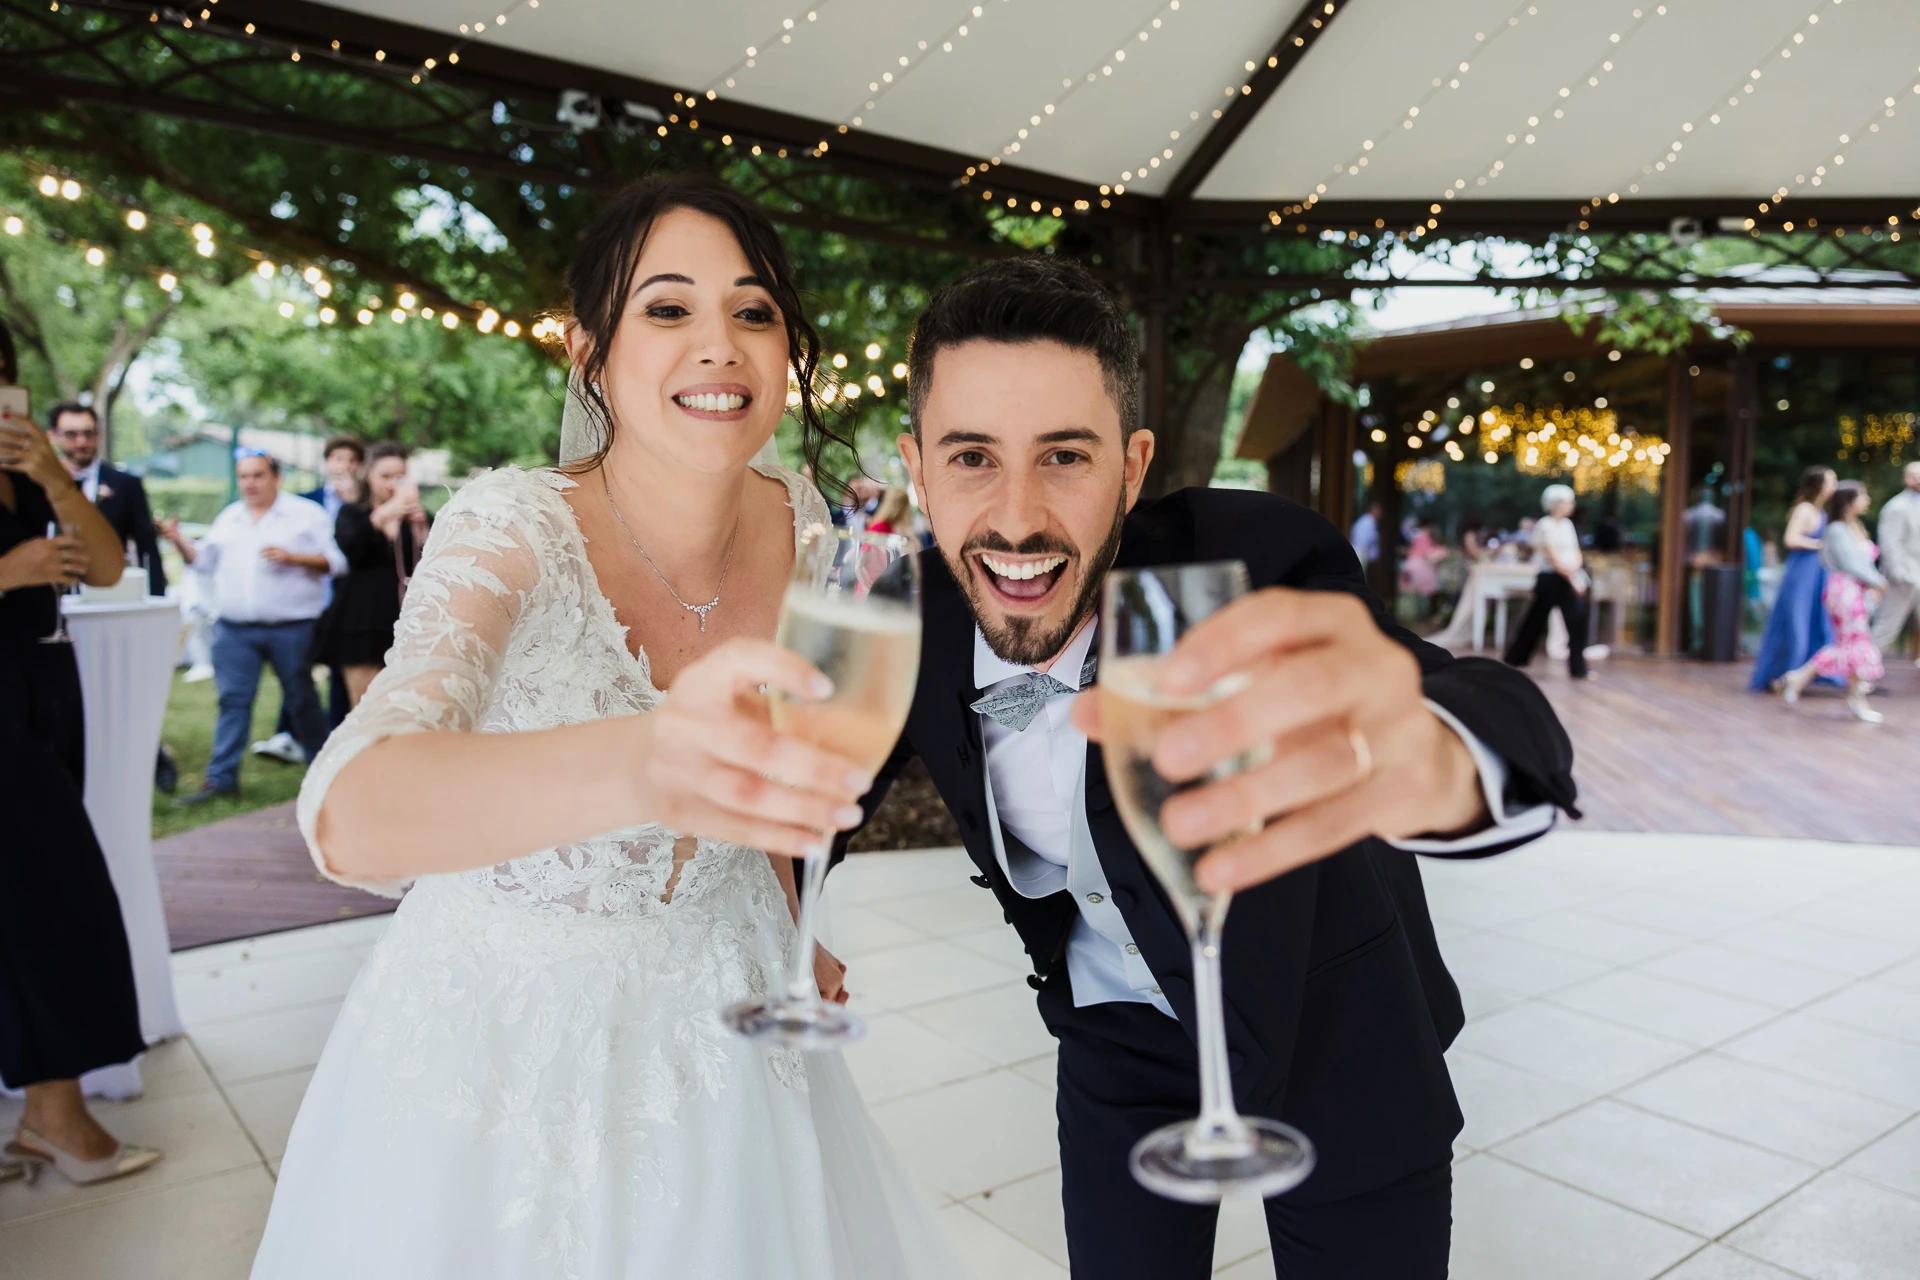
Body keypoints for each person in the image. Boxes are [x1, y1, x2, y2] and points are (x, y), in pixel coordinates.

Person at [248, 176, 964, 1280]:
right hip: (503, 1044)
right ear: (588, 349)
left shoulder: (804, 520)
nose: (719, 344)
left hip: (733, 1016)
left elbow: (772, 769)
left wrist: (793, 926)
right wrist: (648, 759)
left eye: (754, 310)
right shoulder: (509, 527)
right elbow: (351, 813)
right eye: (668, 308)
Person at [840, 257, 1574, 1280]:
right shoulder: (906, 615)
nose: (1016, 517)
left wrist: (1441, 753)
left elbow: (1473, 701)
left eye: (1065, 455)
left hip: (1334, 1029)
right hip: (1114, 1040)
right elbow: (810, 789)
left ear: (1132, 467)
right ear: (917, 467)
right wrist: (781, 906)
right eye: (971, 457)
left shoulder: (1245, 561)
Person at [0, 354, 163, 1187]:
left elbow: (101, 567)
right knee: (57, 903)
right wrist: (9, 571)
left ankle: (45, 1115)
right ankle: (57, 1115)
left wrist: (56, 479)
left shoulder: (26, 474)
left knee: (37, 903)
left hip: (41, 690)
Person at [158, 452, 344, 806]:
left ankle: (326, 777)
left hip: (292, 627)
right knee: (232, 701)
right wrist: (179, 541)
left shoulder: (306, 514)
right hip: (235, 630)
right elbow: (203, 561)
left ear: (276, 477)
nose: (250, 483)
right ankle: (221, 779)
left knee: (302, 700)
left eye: (257, 475)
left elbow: (337, 562)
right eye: (243, 476)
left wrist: (293, 558)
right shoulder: (230, 517)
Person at [256, 434, 364, 762]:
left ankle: (335, 735)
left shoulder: (364, 503)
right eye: (338, 458)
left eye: (351, 460)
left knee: (338, 668)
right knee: (297, 670)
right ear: (327, 462)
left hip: (348, 597)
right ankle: (288, 734)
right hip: (311, 596)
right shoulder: (305, 502)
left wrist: (354, 501)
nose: (344, 466)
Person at [309, 441, 429, 707]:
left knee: (409, 705)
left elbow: (430, 560)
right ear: (368, 475)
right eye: (385, 476)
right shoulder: (353, 513)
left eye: (399, 477)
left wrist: (420, 525)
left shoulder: (417, 518)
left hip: (407, 616)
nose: (392, 484)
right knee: (365, 705)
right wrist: (385, 513)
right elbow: (352, 549)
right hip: (362, 619)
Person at [1783, 481, 1888, 723]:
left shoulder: (1853, 528)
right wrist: (1877, 582)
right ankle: (1854, 698)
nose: (1867, 500)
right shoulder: (1837, 530)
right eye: (1862, 496)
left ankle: (1803, 679)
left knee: (1853, 644)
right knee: (1853, 644)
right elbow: (1852, 564)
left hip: (1856, 591)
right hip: (1845, 592)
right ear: (1849, 502)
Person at [44, 402, 165, 596]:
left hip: (111, 593)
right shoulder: (39, 484)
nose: (81, 442)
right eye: (71, 434)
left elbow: (147, 547)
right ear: (53, 436)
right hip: (53, 595)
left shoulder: (126, 484)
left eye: (88, 433)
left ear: (99, 435)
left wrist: (156, 598)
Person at [1750, 466, 1836, 691]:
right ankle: (1783, 675)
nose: (1834, 487)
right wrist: (1819, 544)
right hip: (1802, 573)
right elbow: (1790, 539)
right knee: (1796, 624)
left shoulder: (1821, 511)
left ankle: (1802, 676)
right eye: (1831, 481)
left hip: (1818, 575)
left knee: (1815, 623)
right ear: (1819, 485)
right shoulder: (1805, 509)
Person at [1503, 484, 1590, 679]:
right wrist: (1568, 574)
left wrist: (1574, 571)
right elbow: (1551, 554)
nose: (1571, 506)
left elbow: (1576, 551)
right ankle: (1516, 658)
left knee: (1575, 620)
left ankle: (1578, 667)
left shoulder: (1567, 525)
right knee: (1535, 620)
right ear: (1556, 504)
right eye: (1567, 502)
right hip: (1550, 579)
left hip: (1568, 578)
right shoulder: (1545, 525)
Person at [1869, 460, 1920, 663]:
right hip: (1903, 578)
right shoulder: (1896, 507)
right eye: (1914, 475)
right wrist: (1900, 575)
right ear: (1905, 479)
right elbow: (1889, 545)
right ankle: (1862, 669)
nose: (1918, 479)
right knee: (1887, 627)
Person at [1348, 500, 1380, 565]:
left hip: (1359, 550)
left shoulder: (1364, 519)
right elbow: (1370, 537)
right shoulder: (1369, 521)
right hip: (1361, 551)